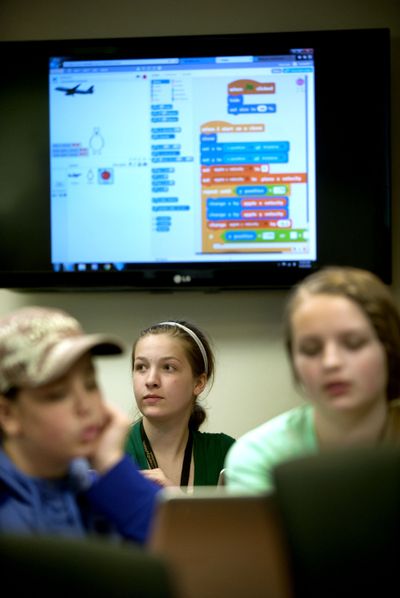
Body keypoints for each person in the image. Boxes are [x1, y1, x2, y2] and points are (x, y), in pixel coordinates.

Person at [224, 266, 400, 492]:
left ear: (389, 349)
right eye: (311, 349)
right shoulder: (259, 457)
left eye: (353, 343)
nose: (331, 362)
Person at [0, 306, 161, 542]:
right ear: (7, 415)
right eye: (57, 394)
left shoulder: (99, 487)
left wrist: (112, 465)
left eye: (90, 383)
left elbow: (191, 558)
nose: (85, 406)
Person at [125, 320, 235, 488]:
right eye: (141, 367)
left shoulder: (227, 454)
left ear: (198, 383)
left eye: (168, 367)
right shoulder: (109, 453)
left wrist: (175, 499)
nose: (151, 380)